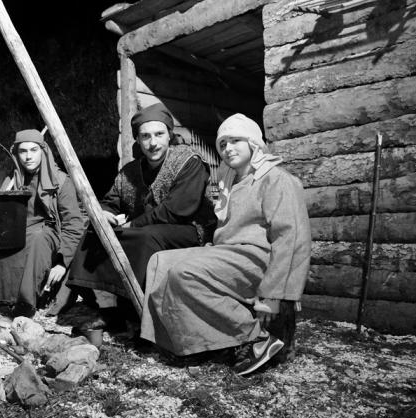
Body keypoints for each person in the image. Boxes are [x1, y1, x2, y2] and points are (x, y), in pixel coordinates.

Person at [140, 114, 311, 375]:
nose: (227, 148)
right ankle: (174, 342)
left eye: (235, 141)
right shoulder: (230, 180)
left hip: (258, 258)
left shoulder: (277, 179)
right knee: (160, 262)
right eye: (222, 144)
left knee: (185, 274)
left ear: (253, 142)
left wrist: (273, 294)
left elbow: (292, 239)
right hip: (228, 253)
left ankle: (256, 339)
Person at [63, 103, 215, 319]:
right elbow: (111, 202)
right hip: (146, 229)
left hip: (191, 229)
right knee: (95, 231)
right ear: (138, 140)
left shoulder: (187, 162)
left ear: (169, 135)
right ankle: (104, 305)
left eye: (159, 134)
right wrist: (104, 213)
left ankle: (141, 311)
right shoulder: (130, 172)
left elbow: (176, 210)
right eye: (145, 136)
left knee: (143, 237)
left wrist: (132, 225)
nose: (153, 143)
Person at [0, 129, 85, 319]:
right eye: (23, 151)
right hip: (20, 229)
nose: (28, 157)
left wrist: (62, 262)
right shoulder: (12, 179)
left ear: (43, 151)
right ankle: (0, 299)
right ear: (16, 154)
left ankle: (26, 304)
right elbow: (2, 215)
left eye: (34, 150)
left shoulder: (60, 181)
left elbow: (74, 224)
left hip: (49, 231)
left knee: (38, 238)